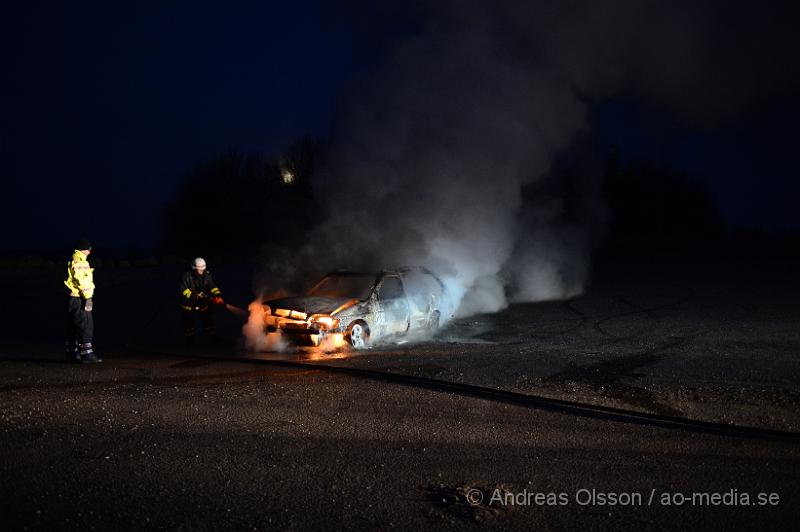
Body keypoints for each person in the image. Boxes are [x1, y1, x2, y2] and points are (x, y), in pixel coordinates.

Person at [64, 238, 102, 363]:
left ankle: (72, 353)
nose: (90, 252)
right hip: (79, 297)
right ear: (84, 249)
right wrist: (88, 298)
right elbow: (82, 281)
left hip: (72, 297)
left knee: (73, 325)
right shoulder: (80, 261)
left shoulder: (72, 259)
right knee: (85, 324)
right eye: (89, 249)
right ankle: (87, 354)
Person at [180, 257, 224, 342]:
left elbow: (212, 286)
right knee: (189, 325)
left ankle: (212, 339)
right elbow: (183, 290)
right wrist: (195, 295)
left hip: (201, 302)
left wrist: (217, 295)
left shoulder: (206, 274)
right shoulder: (186, 275)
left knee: (208, 320)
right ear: (194, 269)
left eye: (203, 270)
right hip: (188, 304)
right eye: (199, 270)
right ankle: (189, 341)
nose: (201, 272)